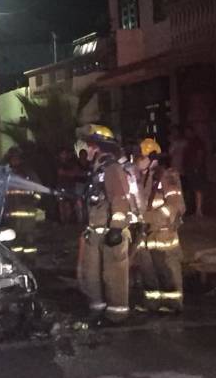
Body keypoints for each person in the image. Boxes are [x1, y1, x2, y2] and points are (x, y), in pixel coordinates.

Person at [75, 124, 132, 323]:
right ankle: (98, 309)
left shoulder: (112, 168)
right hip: (96, 232)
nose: (86, 150)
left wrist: (116, 228)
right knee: (92, 274)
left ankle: (117, 315)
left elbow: (119, 198)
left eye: (90, 146)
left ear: (99, 147)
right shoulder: (96, 171)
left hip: (110, 232)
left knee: (113, 276)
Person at [134, 138, 185, 313]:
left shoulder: (167, 176)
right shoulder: (141, 178)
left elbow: (176, 206)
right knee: (147, 269)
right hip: (146, 234)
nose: (137, 161)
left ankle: (173, 304)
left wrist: (149, 217)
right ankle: (152, 303)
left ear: (151, 157)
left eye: (140, 157)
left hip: (163, 234)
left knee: (167, 269)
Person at [3, 147, 41, 258]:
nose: (14, 160)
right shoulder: (7, 172)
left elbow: (38, 188)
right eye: (13, 158)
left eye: (16, 158)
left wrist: (34, 201)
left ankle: (30, 260)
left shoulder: (28, 173)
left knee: (28, 237)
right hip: (12, 211)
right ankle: (17, 259)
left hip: (27, 211)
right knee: (14, 237)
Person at [182, 125, 206, 217]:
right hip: (190, 168)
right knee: (193, 189)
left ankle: (199, 210)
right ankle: (195, 209)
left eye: (188, 132)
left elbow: (200, 154)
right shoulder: (188, 143)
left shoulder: (197, 142)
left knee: (198, 189)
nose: (186, 134)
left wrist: (197, 166)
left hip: (196, 169)